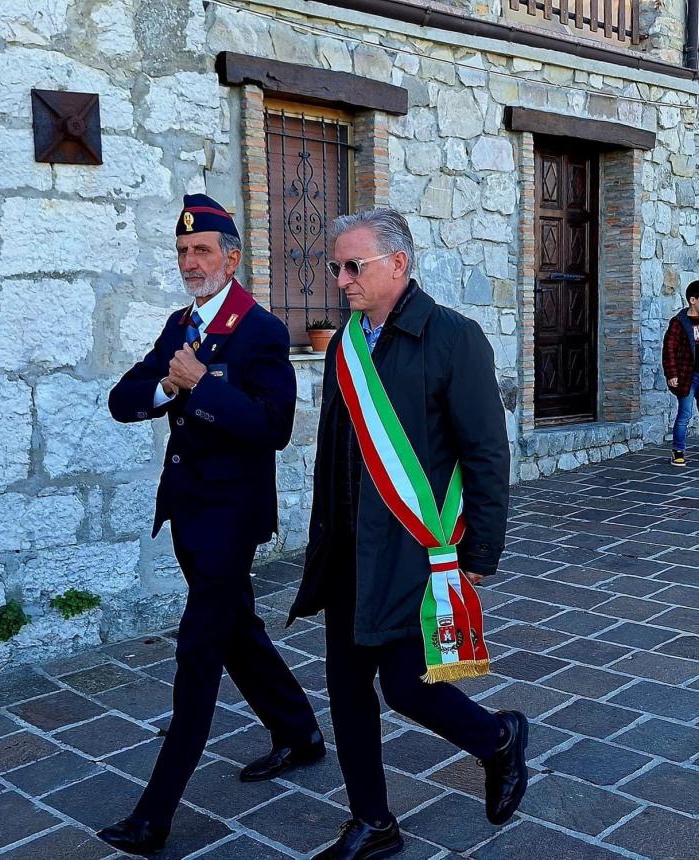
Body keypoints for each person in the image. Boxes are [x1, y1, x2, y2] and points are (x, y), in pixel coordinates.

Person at [289, 209, 528, 860]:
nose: (339, 280)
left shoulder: (452, 337)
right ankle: (372, 822)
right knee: (344, 687)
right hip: (345, 550)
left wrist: (480, 549)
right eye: (334, 267)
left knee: (402, 685)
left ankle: (498, 739)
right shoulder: (345, 343)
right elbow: (337, 448)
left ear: (397, 263)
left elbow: (484, 452)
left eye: (352, 266)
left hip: (408, 547)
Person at [99, 195, 324, 856]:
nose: (190, 261)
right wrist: (168, 388)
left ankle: (154, 814)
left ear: (231, 258)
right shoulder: (178, 324)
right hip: (186, 511)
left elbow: (274, 428)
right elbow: (123, 399)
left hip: (231, 518)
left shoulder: (257, 328)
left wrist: (202, 385)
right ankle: (300, 733)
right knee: (238, 633)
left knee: (198, 650)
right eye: (181, 251)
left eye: (202, 251)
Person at [662, 279, 699, 466]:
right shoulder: (679, 322)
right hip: (687, 375)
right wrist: (671, 374)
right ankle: (678, 451)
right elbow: (669, 349)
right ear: (693, 300)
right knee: (685, 414)